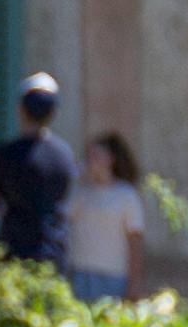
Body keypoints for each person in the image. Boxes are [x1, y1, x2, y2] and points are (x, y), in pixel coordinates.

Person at [0, 72, 76, 278]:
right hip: (53, 258)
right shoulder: (64, 155)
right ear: (53, 112)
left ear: (21, 110)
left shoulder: (5, 154)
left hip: (14, 258)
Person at [64, 131, 150, 305]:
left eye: (95, 156)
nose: (90, 161)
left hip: (113, 277)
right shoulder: (82, 193)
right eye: (88, 156)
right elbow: (63, 218)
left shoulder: (126, 195)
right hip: (81, 272)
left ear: (110, 159)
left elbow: (135, 240)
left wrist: (135, 283)